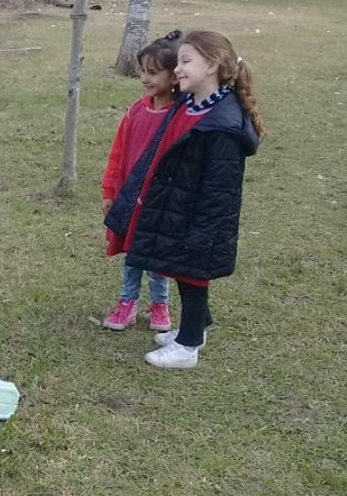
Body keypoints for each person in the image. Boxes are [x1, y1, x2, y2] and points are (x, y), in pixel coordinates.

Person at [104, 30, 264, 368]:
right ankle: (197, 324)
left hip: (200, 215)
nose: (177, 70)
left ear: (212, 65)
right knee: (178, 268)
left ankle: (188, 345)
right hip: (177, 204)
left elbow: (220, 190)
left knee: (193, 273)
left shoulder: (223, 125)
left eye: (185, 62)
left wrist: (203, 230)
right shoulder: (189, 105)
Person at [101, 30, 183, 333]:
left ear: (174, 76)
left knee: (157, 255)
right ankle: (127, 303)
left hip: (160, 202)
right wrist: (110, 190)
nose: (146, 79)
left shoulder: (179, 115)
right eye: (143, 72)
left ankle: (160, 305)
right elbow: (118, 152)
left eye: (153, 72)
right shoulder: (136, 111)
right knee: (134, 254)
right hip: (130, 199)